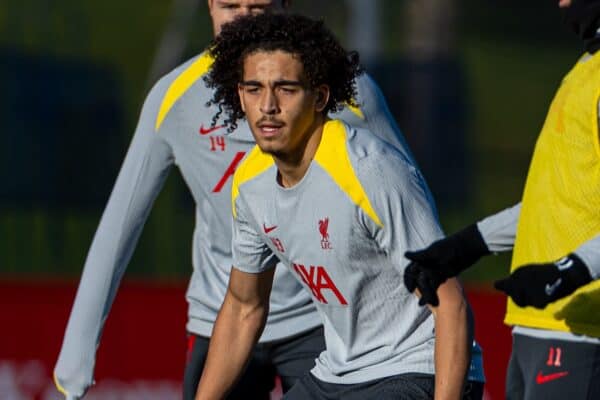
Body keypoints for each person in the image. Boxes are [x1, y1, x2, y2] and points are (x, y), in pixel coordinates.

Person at [53, 1, 455, 399]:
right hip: (223, 315)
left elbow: (410, 198)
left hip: (321, 321)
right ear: (209, 6)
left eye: (258, 6)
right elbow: (122, 220)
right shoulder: (175, 101)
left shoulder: (351, 95)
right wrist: (77, 352)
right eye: (230, 5)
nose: (243, 17)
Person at [195, 12, 472, 400]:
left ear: (320, 96)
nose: (268, 105)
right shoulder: (250, 184)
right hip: (338, 374)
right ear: (239, 94)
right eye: (254, 89)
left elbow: (452, 304)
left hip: (415, 367)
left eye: (286, 89)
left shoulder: (369, 169)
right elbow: (244, 307)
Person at [403, 0, 600, 398]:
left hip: (582, 329)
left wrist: (570, 270)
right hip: (537, 326)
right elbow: (556, 201)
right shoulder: (584, 71)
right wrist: (463, 247)